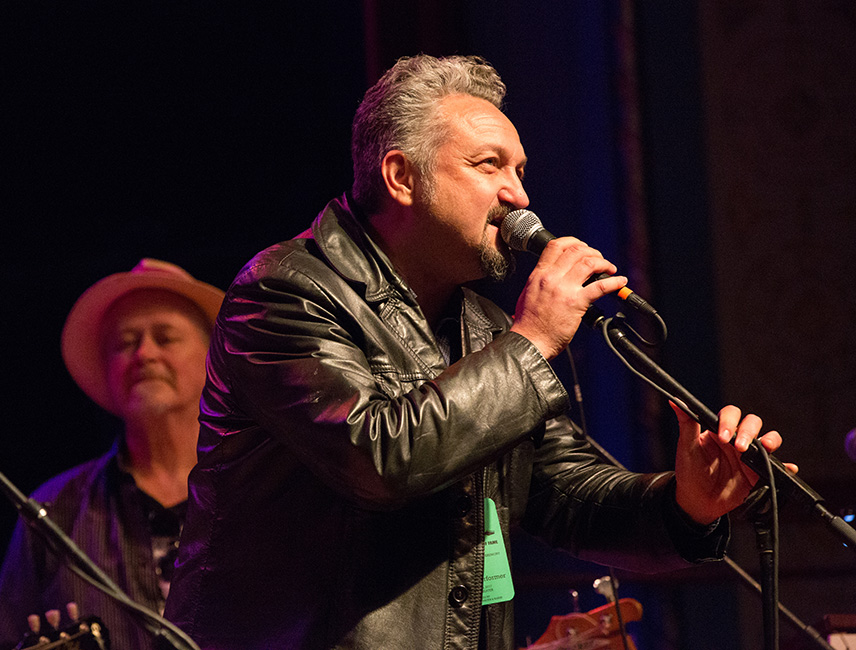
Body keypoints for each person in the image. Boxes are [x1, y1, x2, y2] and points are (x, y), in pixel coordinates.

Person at [163, 54, 795, 649]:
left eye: (520, 171)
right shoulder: (284, 290)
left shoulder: (486, 329)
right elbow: (376, 458)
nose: (518, 196)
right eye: (489, 165)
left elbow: (567, 497)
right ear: (402, 177)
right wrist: (534, 341)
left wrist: (687, 503)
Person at [0, 259, 224, 650]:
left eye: (165, 338)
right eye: (125, 343)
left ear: (213, 357)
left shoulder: (260, 492)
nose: (144, 354)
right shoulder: (53, 509)